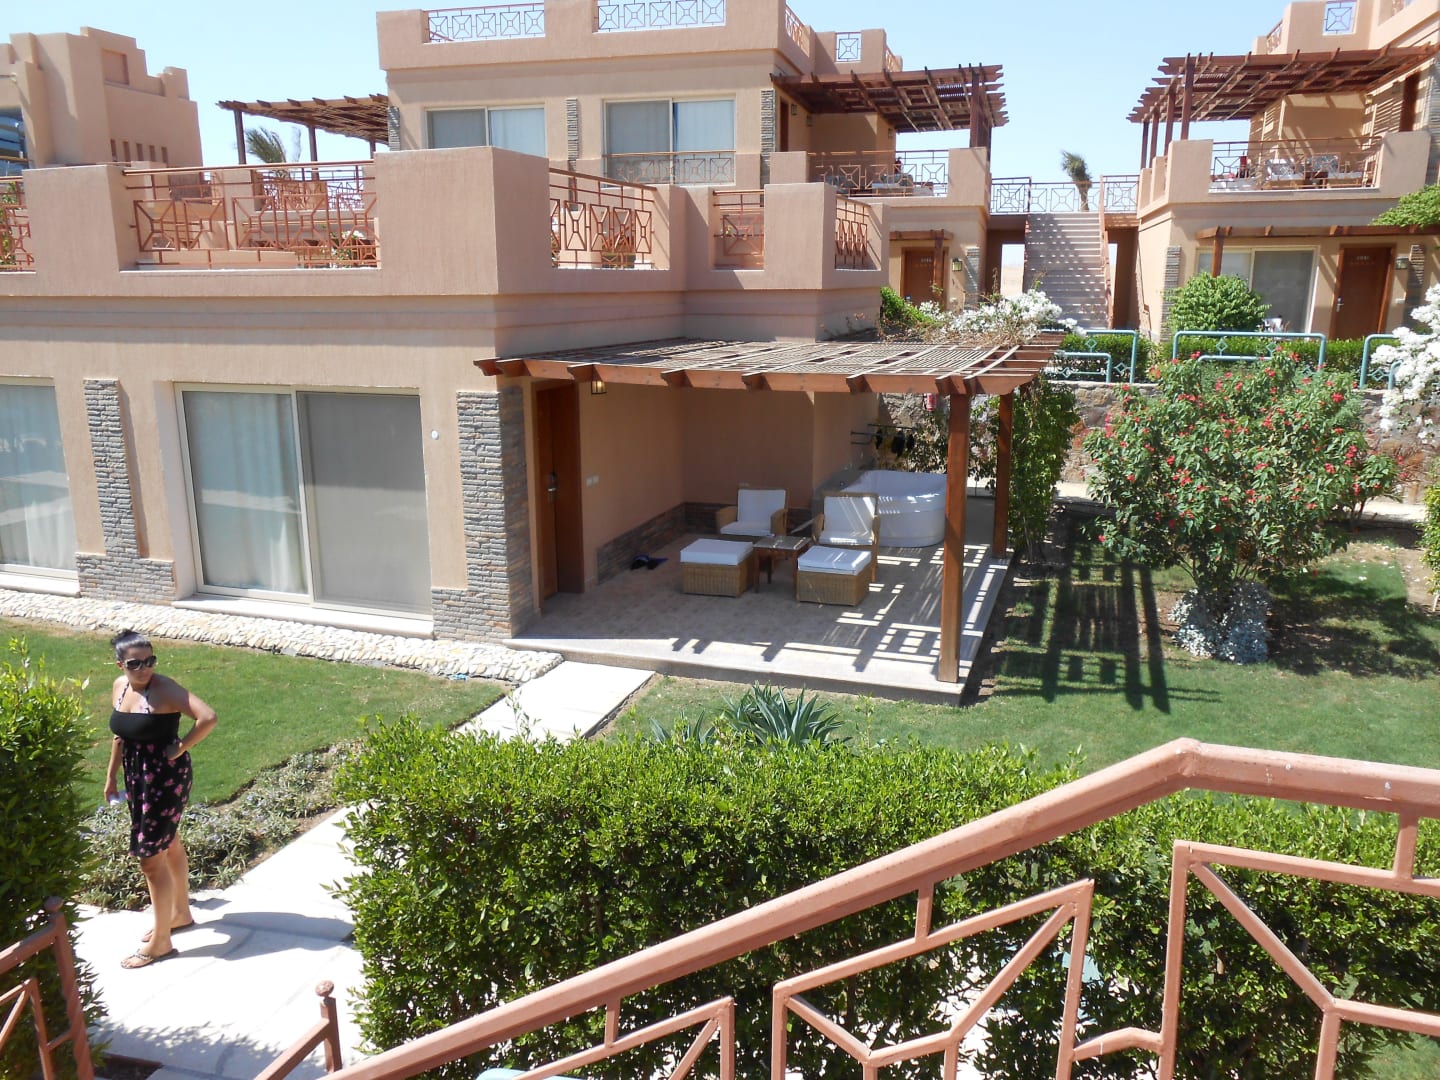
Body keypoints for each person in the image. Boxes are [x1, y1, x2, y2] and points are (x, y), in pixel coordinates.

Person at [103, 630, 217, 969]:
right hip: (137, 776)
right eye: (135, 664)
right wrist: (111, 776)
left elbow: (208, 717)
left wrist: (180, 747)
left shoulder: (165, 689)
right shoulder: (119, 687)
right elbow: (120, 736)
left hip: (165, 778)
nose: (144, 669)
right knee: (170, 843)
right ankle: (180, 914)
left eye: (149, 661)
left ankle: (162, 942)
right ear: (121, 665)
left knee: (150, 858)